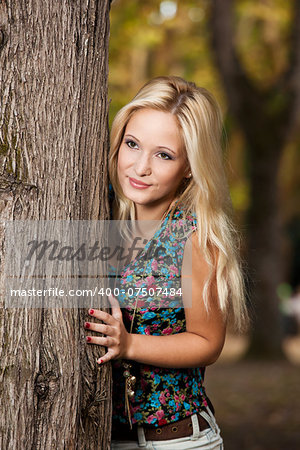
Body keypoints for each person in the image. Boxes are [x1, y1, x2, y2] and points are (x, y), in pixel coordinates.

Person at [84, 76, 249, 449]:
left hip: (175, 440)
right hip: (104, 437)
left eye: (163, 155)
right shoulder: (102, 208)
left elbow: (207, 342)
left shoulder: (194, 238)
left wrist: (128, 344)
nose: (140, 167)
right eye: (132, 144)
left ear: (189, 166)